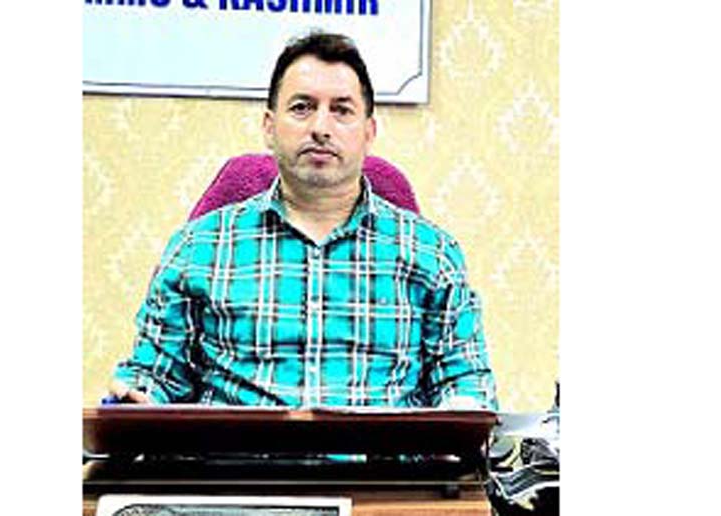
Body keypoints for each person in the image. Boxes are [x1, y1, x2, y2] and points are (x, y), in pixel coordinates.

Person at [109, 31, 498, 411]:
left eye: (341, 110)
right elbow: (155, 376)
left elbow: (464, 382)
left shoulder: (432, 253)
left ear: (369, 132)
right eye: (301, 107)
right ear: (269, 127)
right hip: (236, 456)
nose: (320, 128)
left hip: (381, 457)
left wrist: (465, 409)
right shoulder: (198, 248)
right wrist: (136, 394)